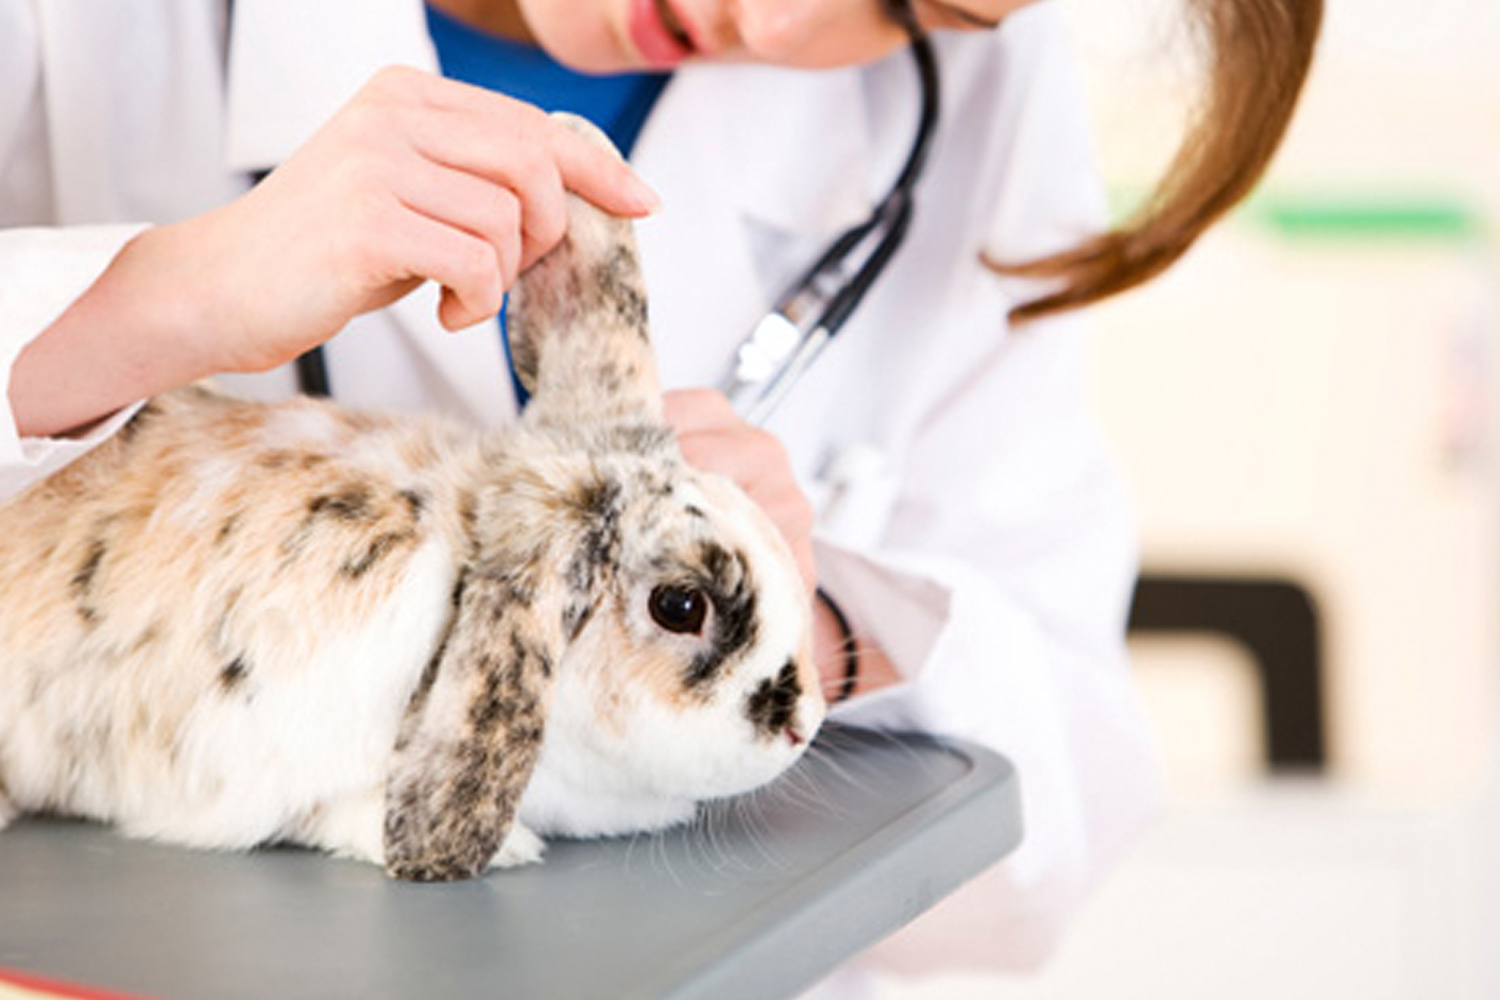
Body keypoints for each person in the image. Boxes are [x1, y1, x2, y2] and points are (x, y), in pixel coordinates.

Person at [0, 0, 1322, 988]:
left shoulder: (975, 88)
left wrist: (821, 628)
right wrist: (136, 308)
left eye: (915, 2)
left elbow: (1056, 816)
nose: (773, 17)